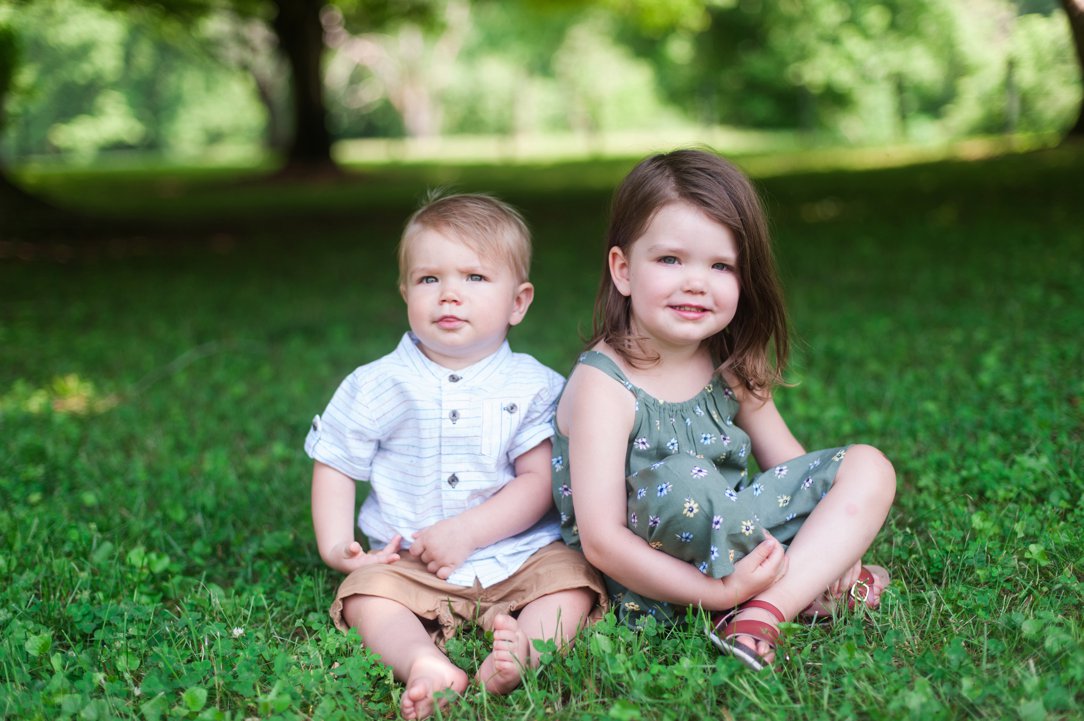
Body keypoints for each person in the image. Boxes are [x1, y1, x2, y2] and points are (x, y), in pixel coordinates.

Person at [551, 149, 896, 670]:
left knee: (869, 466)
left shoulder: (727, 361)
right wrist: (717, 590)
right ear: (623, 270)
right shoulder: (605, 385)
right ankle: (770, 593)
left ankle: (765, 608)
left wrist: (841, 542)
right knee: (682, 479)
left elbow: (790, 466)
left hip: (736, 540)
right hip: (648, 579)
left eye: (720, 265)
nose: (696, 282)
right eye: (670, 260)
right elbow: (602, 543)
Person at [306, 192, 605, 719]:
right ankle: (425, 663)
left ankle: (525, 651)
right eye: (429, 279)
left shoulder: (534, 386)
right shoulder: (376, 384)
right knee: (365, 595)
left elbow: (539, 481)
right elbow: (336, 461)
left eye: (475, 277)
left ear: (518, 302)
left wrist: (468, 531)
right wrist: (336, 545)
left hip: (520, 555)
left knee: (573, 579)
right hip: (411, 562)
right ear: (406, 292)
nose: (449, 294)